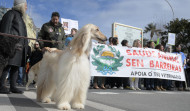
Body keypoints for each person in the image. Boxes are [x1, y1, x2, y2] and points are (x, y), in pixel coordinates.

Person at [0, 0, 28, 94]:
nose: (26, 7)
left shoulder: (20, 17)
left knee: (15, 67)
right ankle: (1, 86)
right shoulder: (10, 13)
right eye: (25, 5)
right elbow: (5, 29)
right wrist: (7, 44)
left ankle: (13, 86)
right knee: (6, 66)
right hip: (12, 45)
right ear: (20, 6)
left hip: (19, 47)